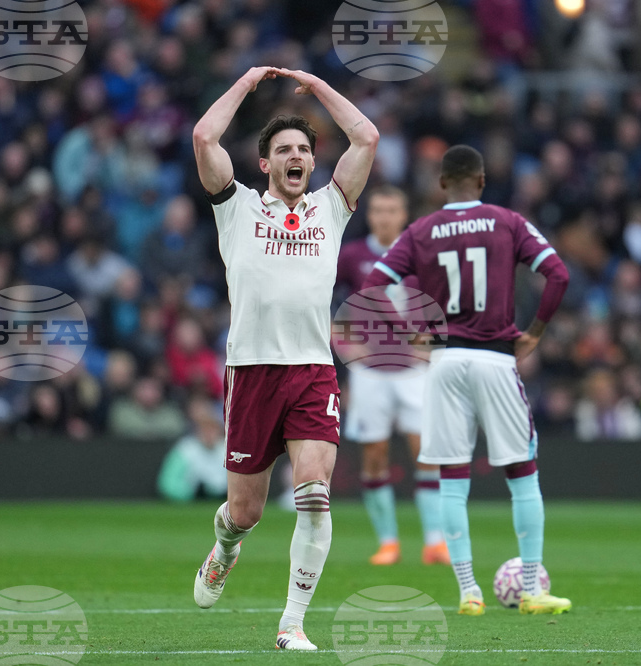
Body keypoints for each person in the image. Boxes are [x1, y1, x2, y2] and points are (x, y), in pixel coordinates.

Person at [191, 66, 378, 650]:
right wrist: (246, 84)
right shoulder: (237, 208)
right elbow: (203, 138)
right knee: (244, 511)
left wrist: (316, 86)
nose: (296, 156)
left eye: (304, 149)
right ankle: (225, 546)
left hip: (311, 371)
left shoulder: (332, 207)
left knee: (315, 491)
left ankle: (291, 624)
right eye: (284, 150)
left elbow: (367, 137)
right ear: (265, 163)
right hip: (250, 372)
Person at [363, 145, 571, 616]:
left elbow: (373, 286)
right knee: (522, 475)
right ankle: (533, 589)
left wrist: (409, 332)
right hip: (496, 358)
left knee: (452, 481)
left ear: (441, 185)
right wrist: (534, 333)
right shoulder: (507, 222)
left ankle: (468, 592)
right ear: (480, 181)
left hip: (445, 362)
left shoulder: (421, 230)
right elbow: (557, 275)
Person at [336, 185, 449, 567]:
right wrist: (346, 345)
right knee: (374, 454)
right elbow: (322, 299)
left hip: (415, 372)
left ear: (404, 215)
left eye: (392, 210)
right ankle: (388, 542)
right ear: (369, 215)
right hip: (371, 373)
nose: (385, 216)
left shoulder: (423, 256)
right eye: (378, 210)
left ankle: (435, 541)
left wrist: (434, 347)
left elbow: (446, 304)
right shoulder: (352, 256)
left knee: (426, 452)